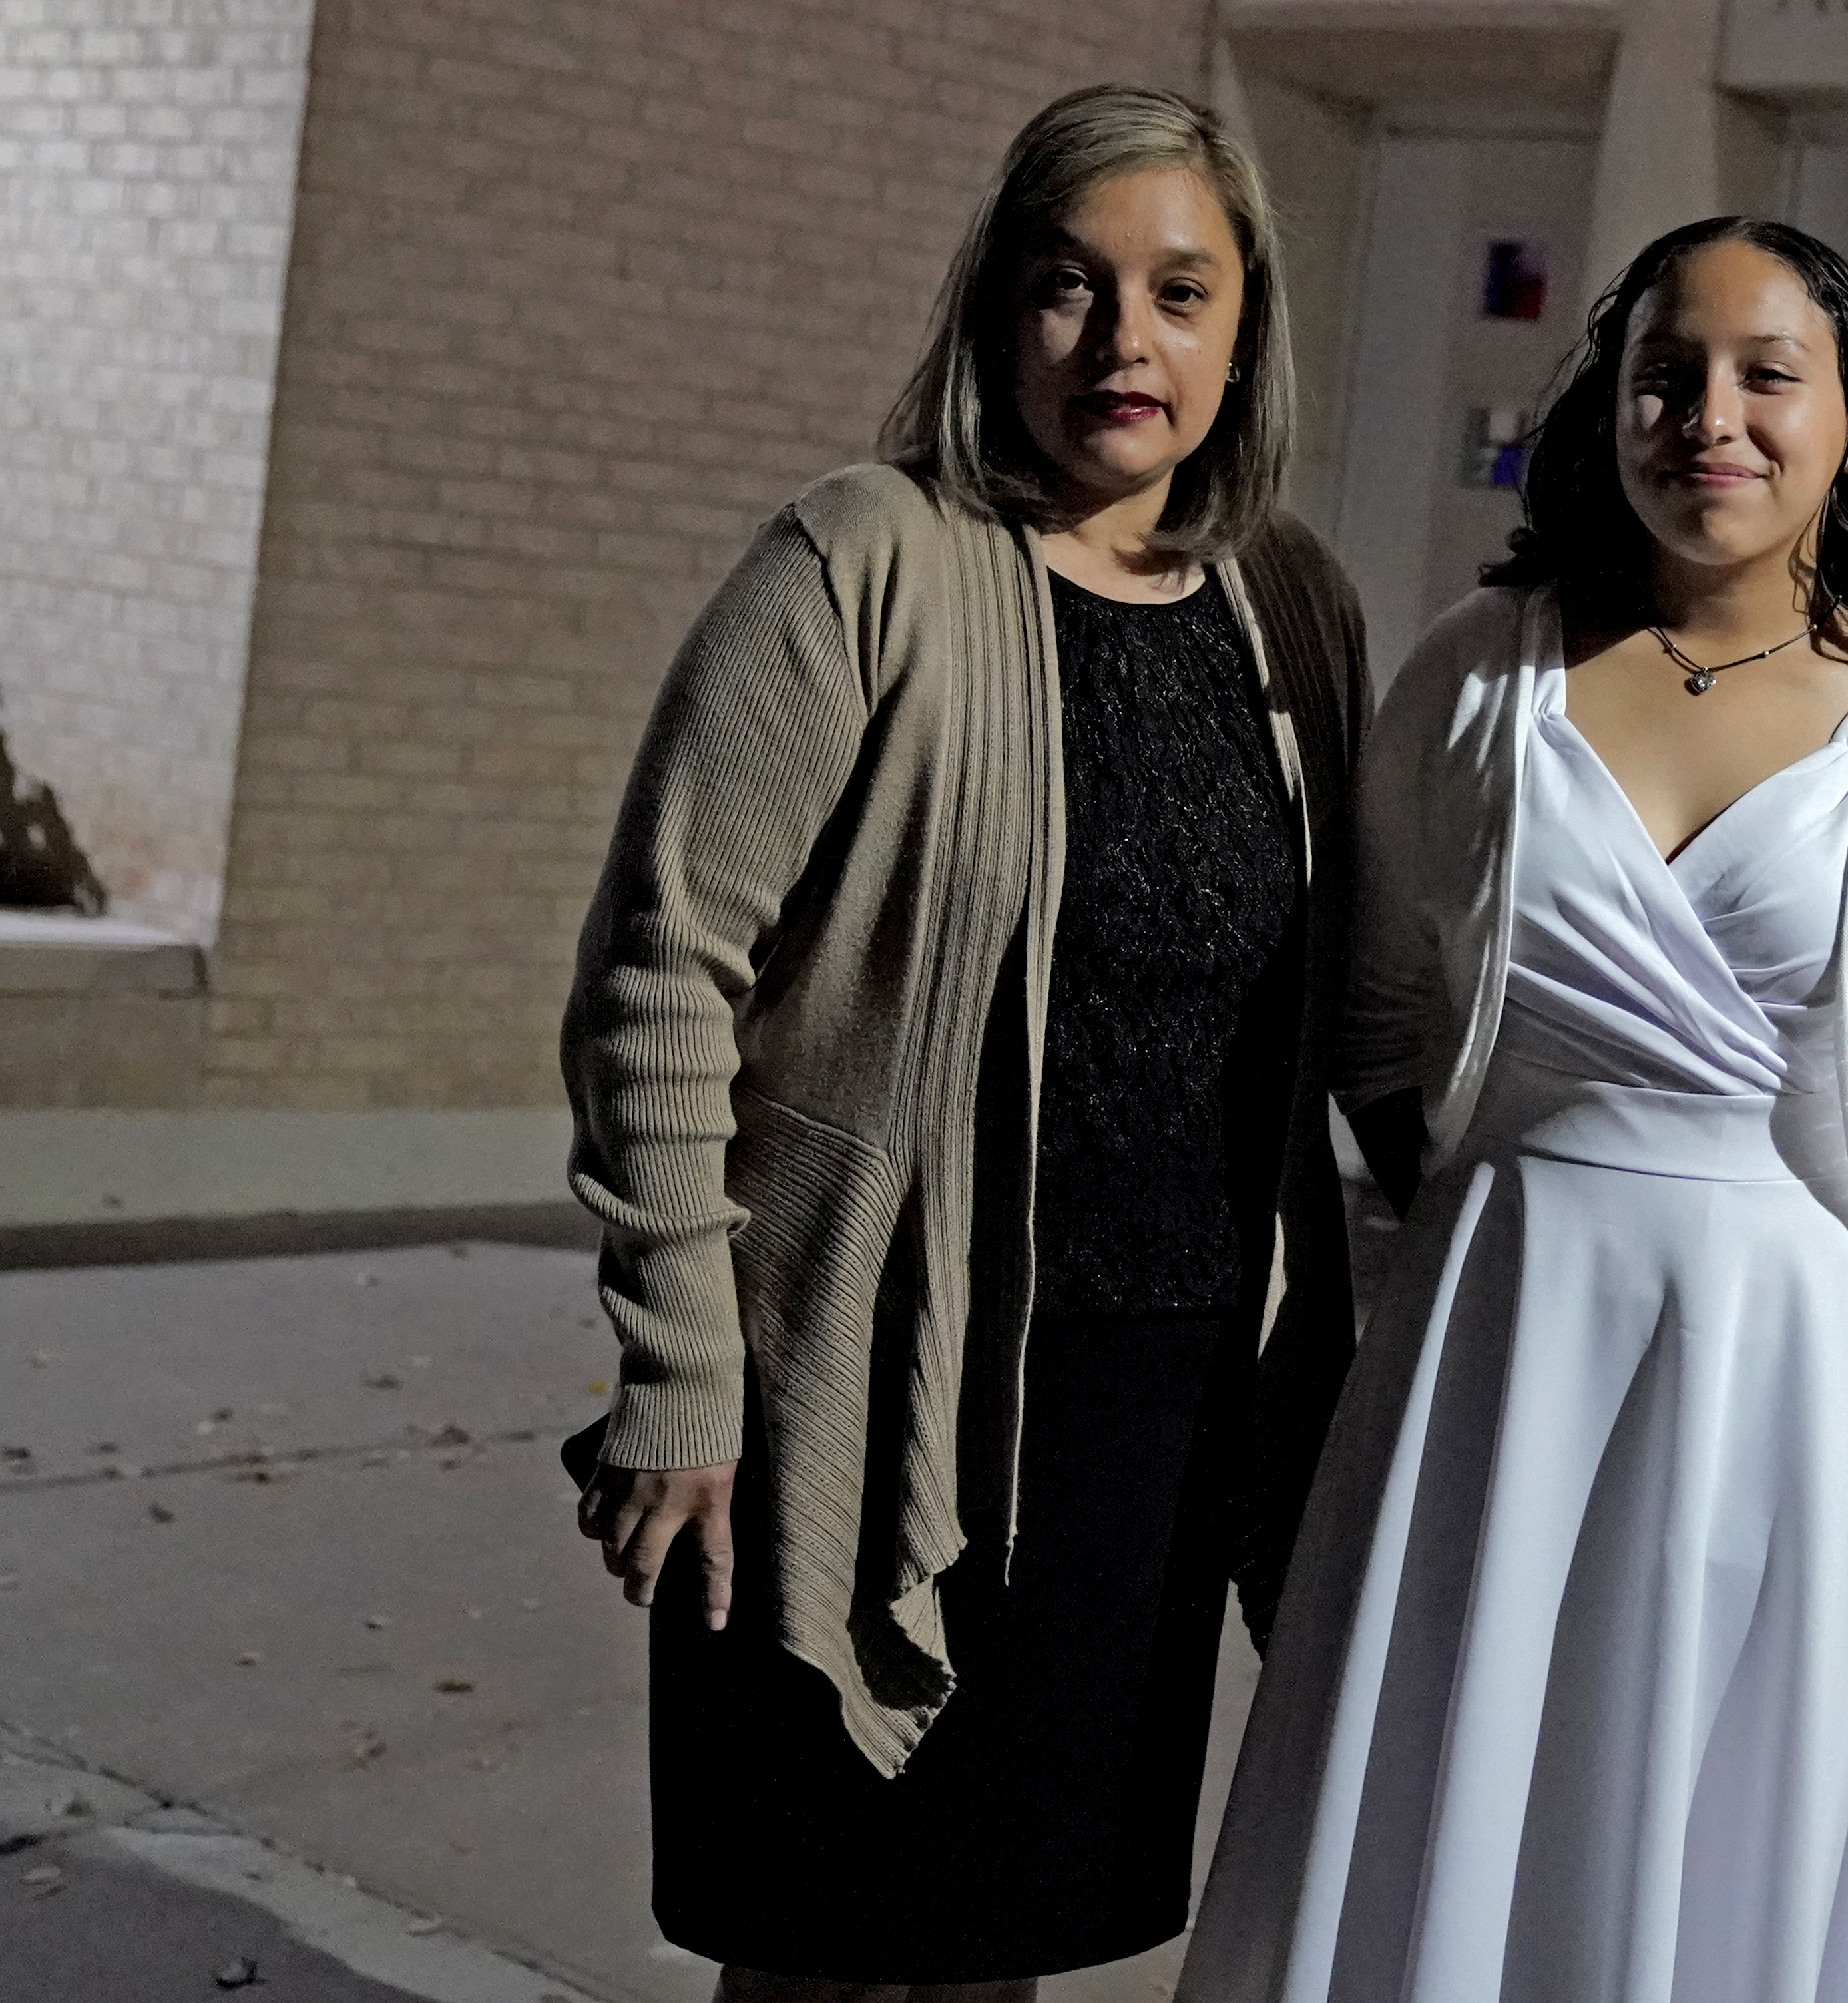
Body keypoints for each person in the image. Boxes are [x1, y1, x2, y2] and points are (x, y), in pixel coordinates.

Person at [1175, 215, 1848, 2003]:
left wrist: (1770, 1310)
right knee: (1452, 1795)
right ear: (1612, 408)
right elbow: (1373, 1026)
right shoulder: (1478, 676)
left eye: (1764, 377)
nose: (1707, 417)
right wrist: (1529, 1231)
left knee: (1708, 1849)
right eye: (1666, 375)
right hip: (1494, 1348)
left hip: (1791, 1395)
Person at [560, 83, 1365, 2003]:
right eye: (1067, 288)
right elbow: (661, 972)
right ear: (996, 315)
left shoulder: (1292, 610)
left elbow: (1342, 1025)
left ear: (1241, 330)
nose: (1123, 343)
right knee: (827, 1939)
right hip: (866, 1371)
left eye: (1179, 293)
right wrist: (681, 1366)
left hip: (1153, 1413)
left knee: (1007, 1933)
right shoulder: (862, 563)